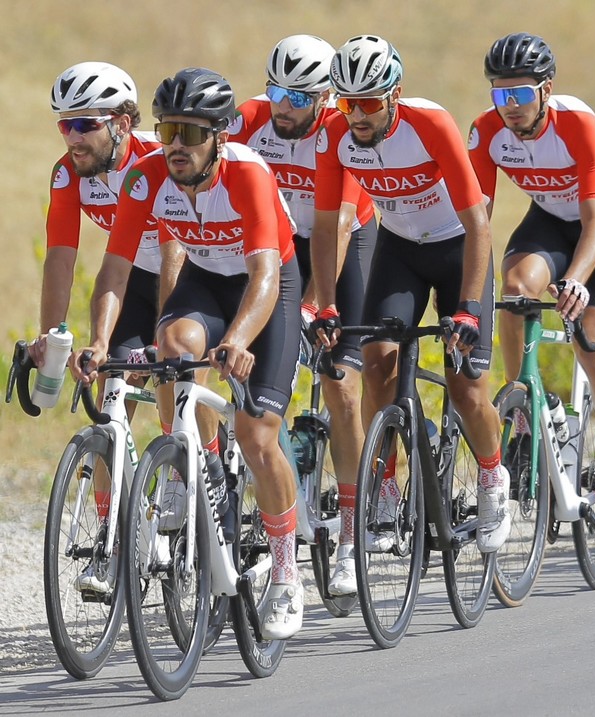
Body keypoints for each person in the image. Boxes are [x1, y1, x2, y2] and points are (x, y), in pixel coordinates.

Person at [69, 67, 305, 639]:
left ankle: (286, 570)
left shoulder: (248, 174)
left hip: (266, 289)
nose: (176, 145)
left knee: (259, 435)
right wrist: (99, 344)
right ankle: (198, 462)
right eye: (168, 129)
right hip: (205, 279)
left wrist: (238, 341)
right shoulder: (145, 178)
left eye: (192, 134)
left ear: (219, 138)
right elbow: (115, 269)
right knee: (171, 347)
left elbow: (266, 276)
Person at [310, 35, 511, 554]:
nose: (356, 114)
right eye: (346, 101)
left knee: (466, 388)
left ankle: (494, 479)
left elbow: (478, 223)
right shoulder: (335, 135)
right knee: (376, 364)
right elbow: (328, 228)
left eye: (369, 103)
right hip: (399, 248)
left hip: (457, 247)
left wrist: (467, 307)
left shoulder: (430, 124)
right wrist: (327, 304)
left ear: (394, 94)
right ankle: (389, 484)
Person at [469, 33, 595, 541]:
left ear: (546, 89)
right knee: (515, 286)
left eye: (520, 94)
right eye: (500, 95)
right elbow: (478, 221)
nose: (510, 107)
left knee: (593, 340)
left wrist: (577, 280)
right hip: (549, 219)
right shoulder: (487, 132)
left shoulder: (577, 123)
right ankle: (526, 414)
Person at [228, 34, 378, 596]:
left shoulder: (339, 133)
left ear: (323, 98)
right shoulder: (249, 121)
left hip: (342, 239)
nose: (282, 106)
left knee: (340, 385)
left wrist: (318, 301)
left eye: (297, 95)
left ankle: (351, 536)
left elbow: (334, 227)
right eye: (275, 91)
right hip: (274, 246)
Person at [40, 62, 184, 595]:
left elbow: (175, 252)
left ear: (122, 123)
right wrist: (52, 335)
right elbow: (61, 255)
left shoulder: (160, 162)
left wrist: (164, 334)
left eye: (85, 125)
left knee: (174, 377)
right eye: (64, 124)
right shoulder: (68, 174)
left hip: (192, 271)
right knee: (111, 393)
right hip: (131, 279)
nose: (72, 137)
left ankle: (193, 479)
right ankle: (112, 540)